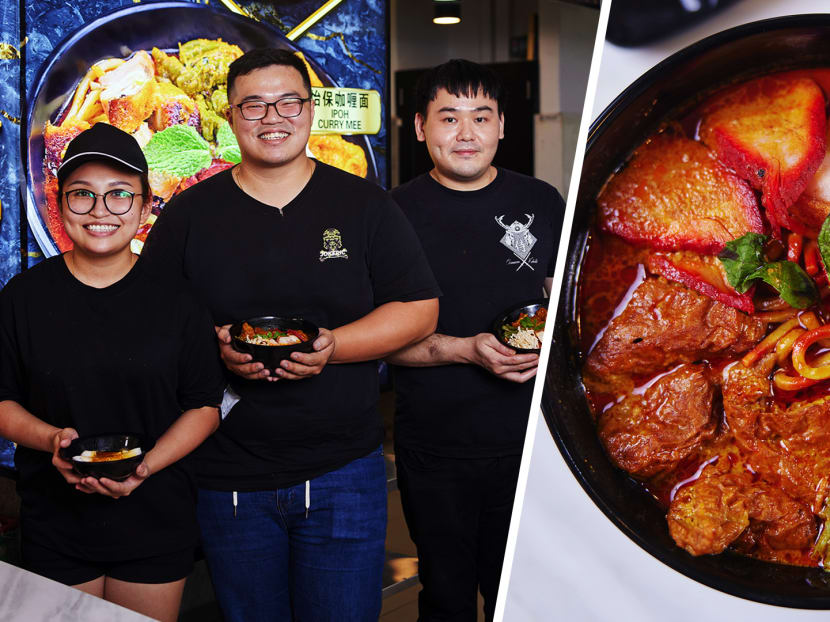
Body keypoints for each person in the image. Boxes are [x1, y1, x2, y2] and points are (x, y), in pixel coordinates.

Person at [141, 48, 441, 622]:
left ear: (310, 111)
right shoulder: (187, 214)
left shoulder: (362, 203)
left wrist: (334, 348)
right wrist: (215, 348)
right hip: (228, 475)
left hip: (344, 471)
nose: (271, 116)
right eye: (253, 104)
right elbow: (150, 323)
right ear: (229, 117)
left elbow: (419, 308)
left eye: (288, 102)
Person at [0, 123, 225, 622]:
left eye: (121, 196)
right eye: (83, 196)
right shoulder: (23, 299)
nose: (101, 211)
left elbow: (204, 407)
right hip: (55, 518)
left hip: (156, 514)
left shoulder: (181, 301)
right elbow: (3, 402)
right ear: (60, 206)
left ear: (145, 208)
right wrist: (52, 439)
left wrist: (146, 466)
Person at [387, 59, 565, 621]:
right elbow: (374, 338)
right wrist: (464, 348)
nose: (466, 134)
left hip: (531, 443)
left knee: (522, 593)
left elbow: (572, 306)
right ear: (420, 128)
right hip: (434, 446)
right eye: (449, 118)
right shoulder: (392, 214)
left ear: (502, 126)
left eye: (481, 117)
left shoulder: (541, 201)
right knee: (446, 596)